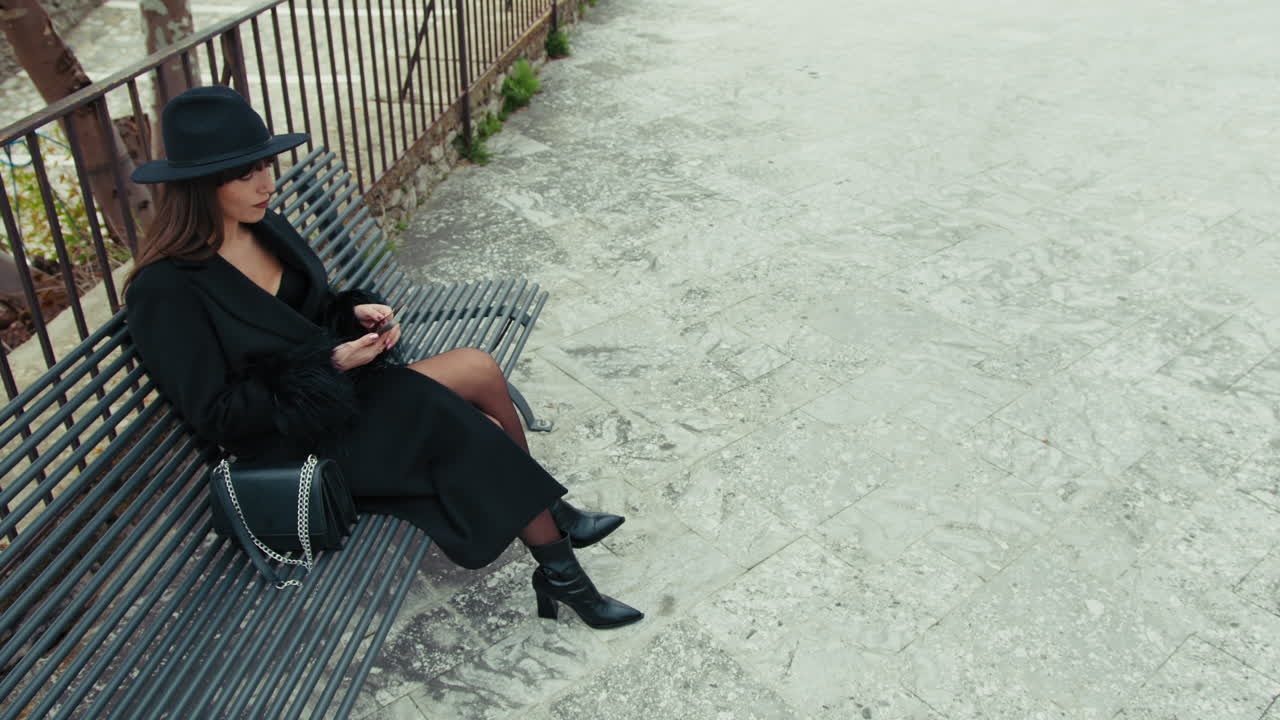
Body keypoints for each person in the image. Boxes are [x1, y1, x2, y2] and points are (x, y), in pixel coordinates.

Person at [124, 85, 642, 630]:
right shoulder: (165, 290)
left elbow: (312, 313)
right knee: (464, 426)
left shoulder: (264, 226)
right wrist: (329, 368)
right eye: (245, 173)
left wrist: (355, 316)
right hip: (292, 439)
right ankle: (563, 570)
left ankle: (553, 533)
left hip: (339, 394)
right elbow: (217, 415)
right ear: (199, 186)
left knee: (475, 371)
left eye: (266, 164)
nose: (266, 183)